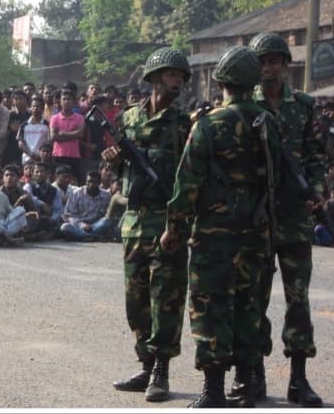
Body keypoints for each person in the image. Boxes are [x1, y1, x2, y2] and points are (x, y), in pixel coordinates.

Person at [160, 45, 281, 408]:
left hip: (215, 234)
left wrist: (174, 228)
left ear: (221, 81)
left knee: (211, 304)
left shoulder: (209, 125)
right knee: (249, 304)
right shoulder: (268, 122)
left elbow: (187, 182)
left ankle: (214, 390)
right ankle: (245, 383)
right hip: (257, 231)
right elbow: (278, 179)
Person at [102, 47, 192, 402]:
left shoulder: (184, 124)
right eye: (171, 74)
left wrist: (181, 222)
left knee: (166, 299)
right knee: (135, 300)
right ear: (154, 78)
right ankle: (146, 364)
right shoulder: (129, 118)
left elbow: (191, 175)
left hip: (167, 220)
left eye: (181, 76)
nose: (177, 81)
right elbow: (122, 170)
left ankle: (161, 371)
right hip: (135, 221)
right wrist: (113, 160)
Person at [247, 31, 326, 407]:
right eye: (262, 62)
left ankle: (298, 378)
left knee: (298, 299)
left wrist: (317, 190)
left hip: (294, 214)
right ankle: (255, 374)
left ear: (285, 65)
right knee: (254, 297)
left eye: (274, 61)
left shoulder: (304, 106)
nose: (268, 68)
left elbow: (315, 155)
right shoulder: (245, 105)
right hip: (258, 213)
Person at [60, 171, 112, 241]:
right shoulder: (76, 193)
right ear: (85, 182)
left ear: (99, 183)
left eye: (94, 182)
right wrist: (82, 225)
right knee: (65, 227)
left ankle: (84, 236)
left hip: (96, 225)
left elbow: (108, 213)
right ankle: (94, 236)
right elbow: (69, 215)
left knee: (106, 221)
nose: (91, 184)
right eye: (88, 182)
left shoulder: (106, 195)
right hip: (79, 226)